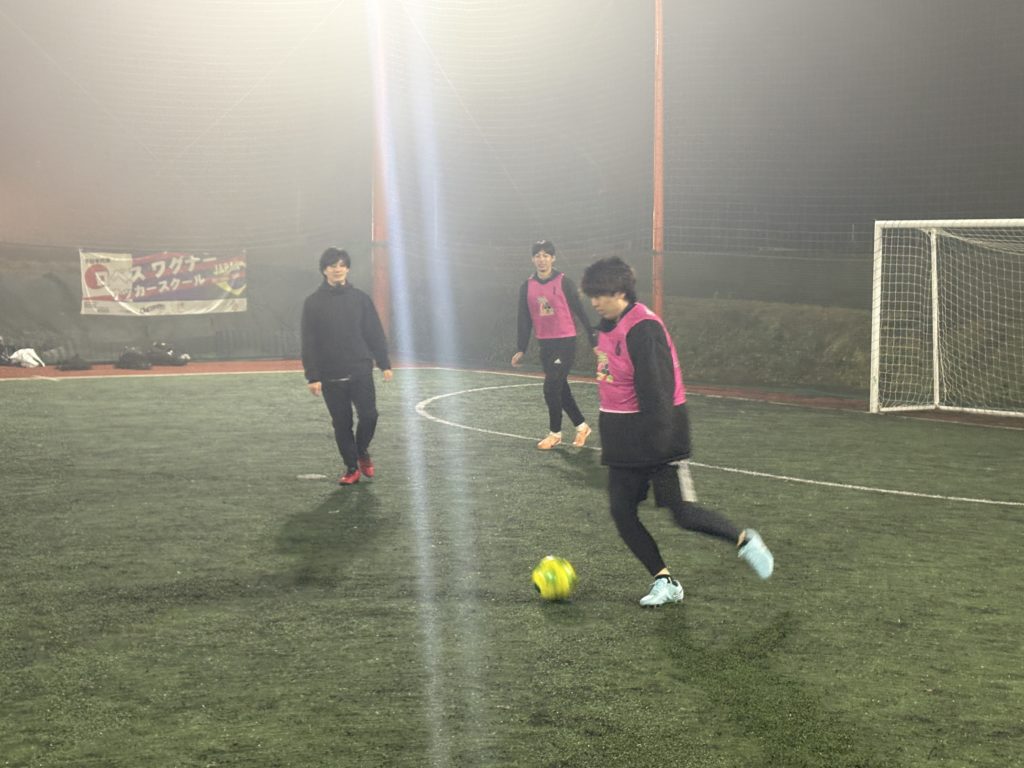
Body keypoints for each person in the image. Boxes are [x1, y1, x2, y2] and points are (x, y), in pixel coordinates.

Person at [579, 256, 774, 606]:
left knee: (682, 513)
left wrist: (661, 445)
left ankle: (745, 540)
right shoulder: (606, 326)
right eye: (591, 295)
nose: (594, 302)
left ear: (620, 291)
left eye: (600, 294)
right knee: (622, 512)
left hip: (659, 439)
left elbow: (659, 393)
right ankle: (664, 580)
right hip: (623, 440)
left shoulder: (644, 329)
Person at [301, 247, 393, 486]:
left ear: (348, 269)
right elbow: (309, 342)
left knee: (369, 416)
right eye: (333, 266)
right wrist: (313, 376)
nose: (338, 269)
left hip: (360, 369)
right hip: (330, 374)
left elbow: (374, 332)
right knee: (342, 424)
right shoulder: (313, 303)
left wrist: (384, 363)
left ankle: (361, 451)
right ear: (324, 270)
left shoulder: (360, 299)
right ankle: (352, 468)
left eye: (342, 265)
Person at [511, 240, 596, 450]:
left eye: (546, 255)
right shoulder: (527, 286)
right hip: (545, 343)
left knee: (551, 387)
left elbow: (581, 311)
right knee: (560, 387)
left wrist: (593, 338)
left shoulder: (564, 282)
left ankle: (555, 433)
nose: (542, 260)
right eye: (537, 256)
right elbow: (524, 318)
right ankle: (582, 426)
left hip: (565, 341)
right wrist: (521, 347)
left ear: (553, 258)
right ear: (532, 259)